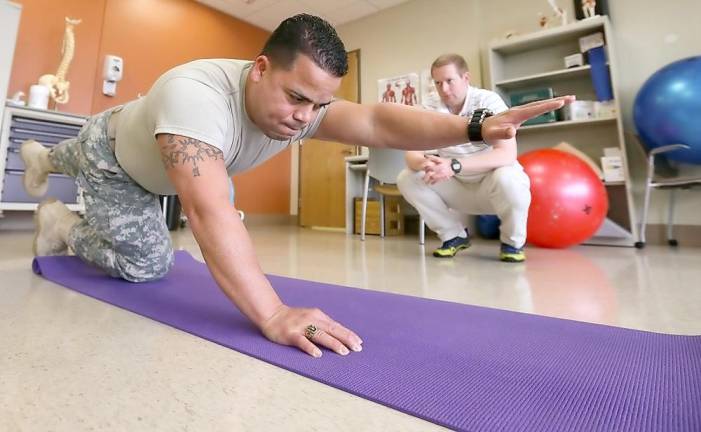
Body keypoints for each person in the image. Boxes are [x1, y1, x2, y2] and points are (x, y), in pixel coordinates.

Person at [20, 15, 573, 358]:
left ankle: (49, 170)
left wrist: (474, 127)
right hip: (117, 157)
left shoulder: (305, 108)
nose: (305, 117)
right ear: (259, 69)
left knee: (97, 176)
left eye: (319, 104)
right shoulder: (196, 94)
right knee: (147, 262)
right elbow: (208, 210)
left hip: (137, 148)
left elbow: (379, 123)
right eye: (296, 98)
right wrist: (272, 313)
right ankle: (61, 220)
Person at [397, 54, 532, 262]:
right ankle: (454, 236)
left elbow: (507, 154)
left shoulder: (488, 101)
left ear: (465, 78)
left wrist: (455, 165)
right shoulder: (430, 107)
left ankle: (512, 243)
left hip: (492, 184)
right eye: (438, 83)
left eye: (450, 81)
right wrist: (426, 164)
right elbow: (411, 154)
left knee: (509, 177)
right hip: (457, 186)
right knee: (408, 178)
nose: (444, 89)